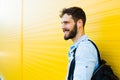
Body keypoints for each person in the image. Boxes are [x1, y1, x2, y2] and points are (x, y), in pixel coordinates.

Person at [60, 7, 99, 80]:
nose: (62, 27)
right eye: (62, 23)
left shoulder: (84, 49)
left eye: (66, 23)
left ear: (79, 23)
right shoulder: (78, 48)